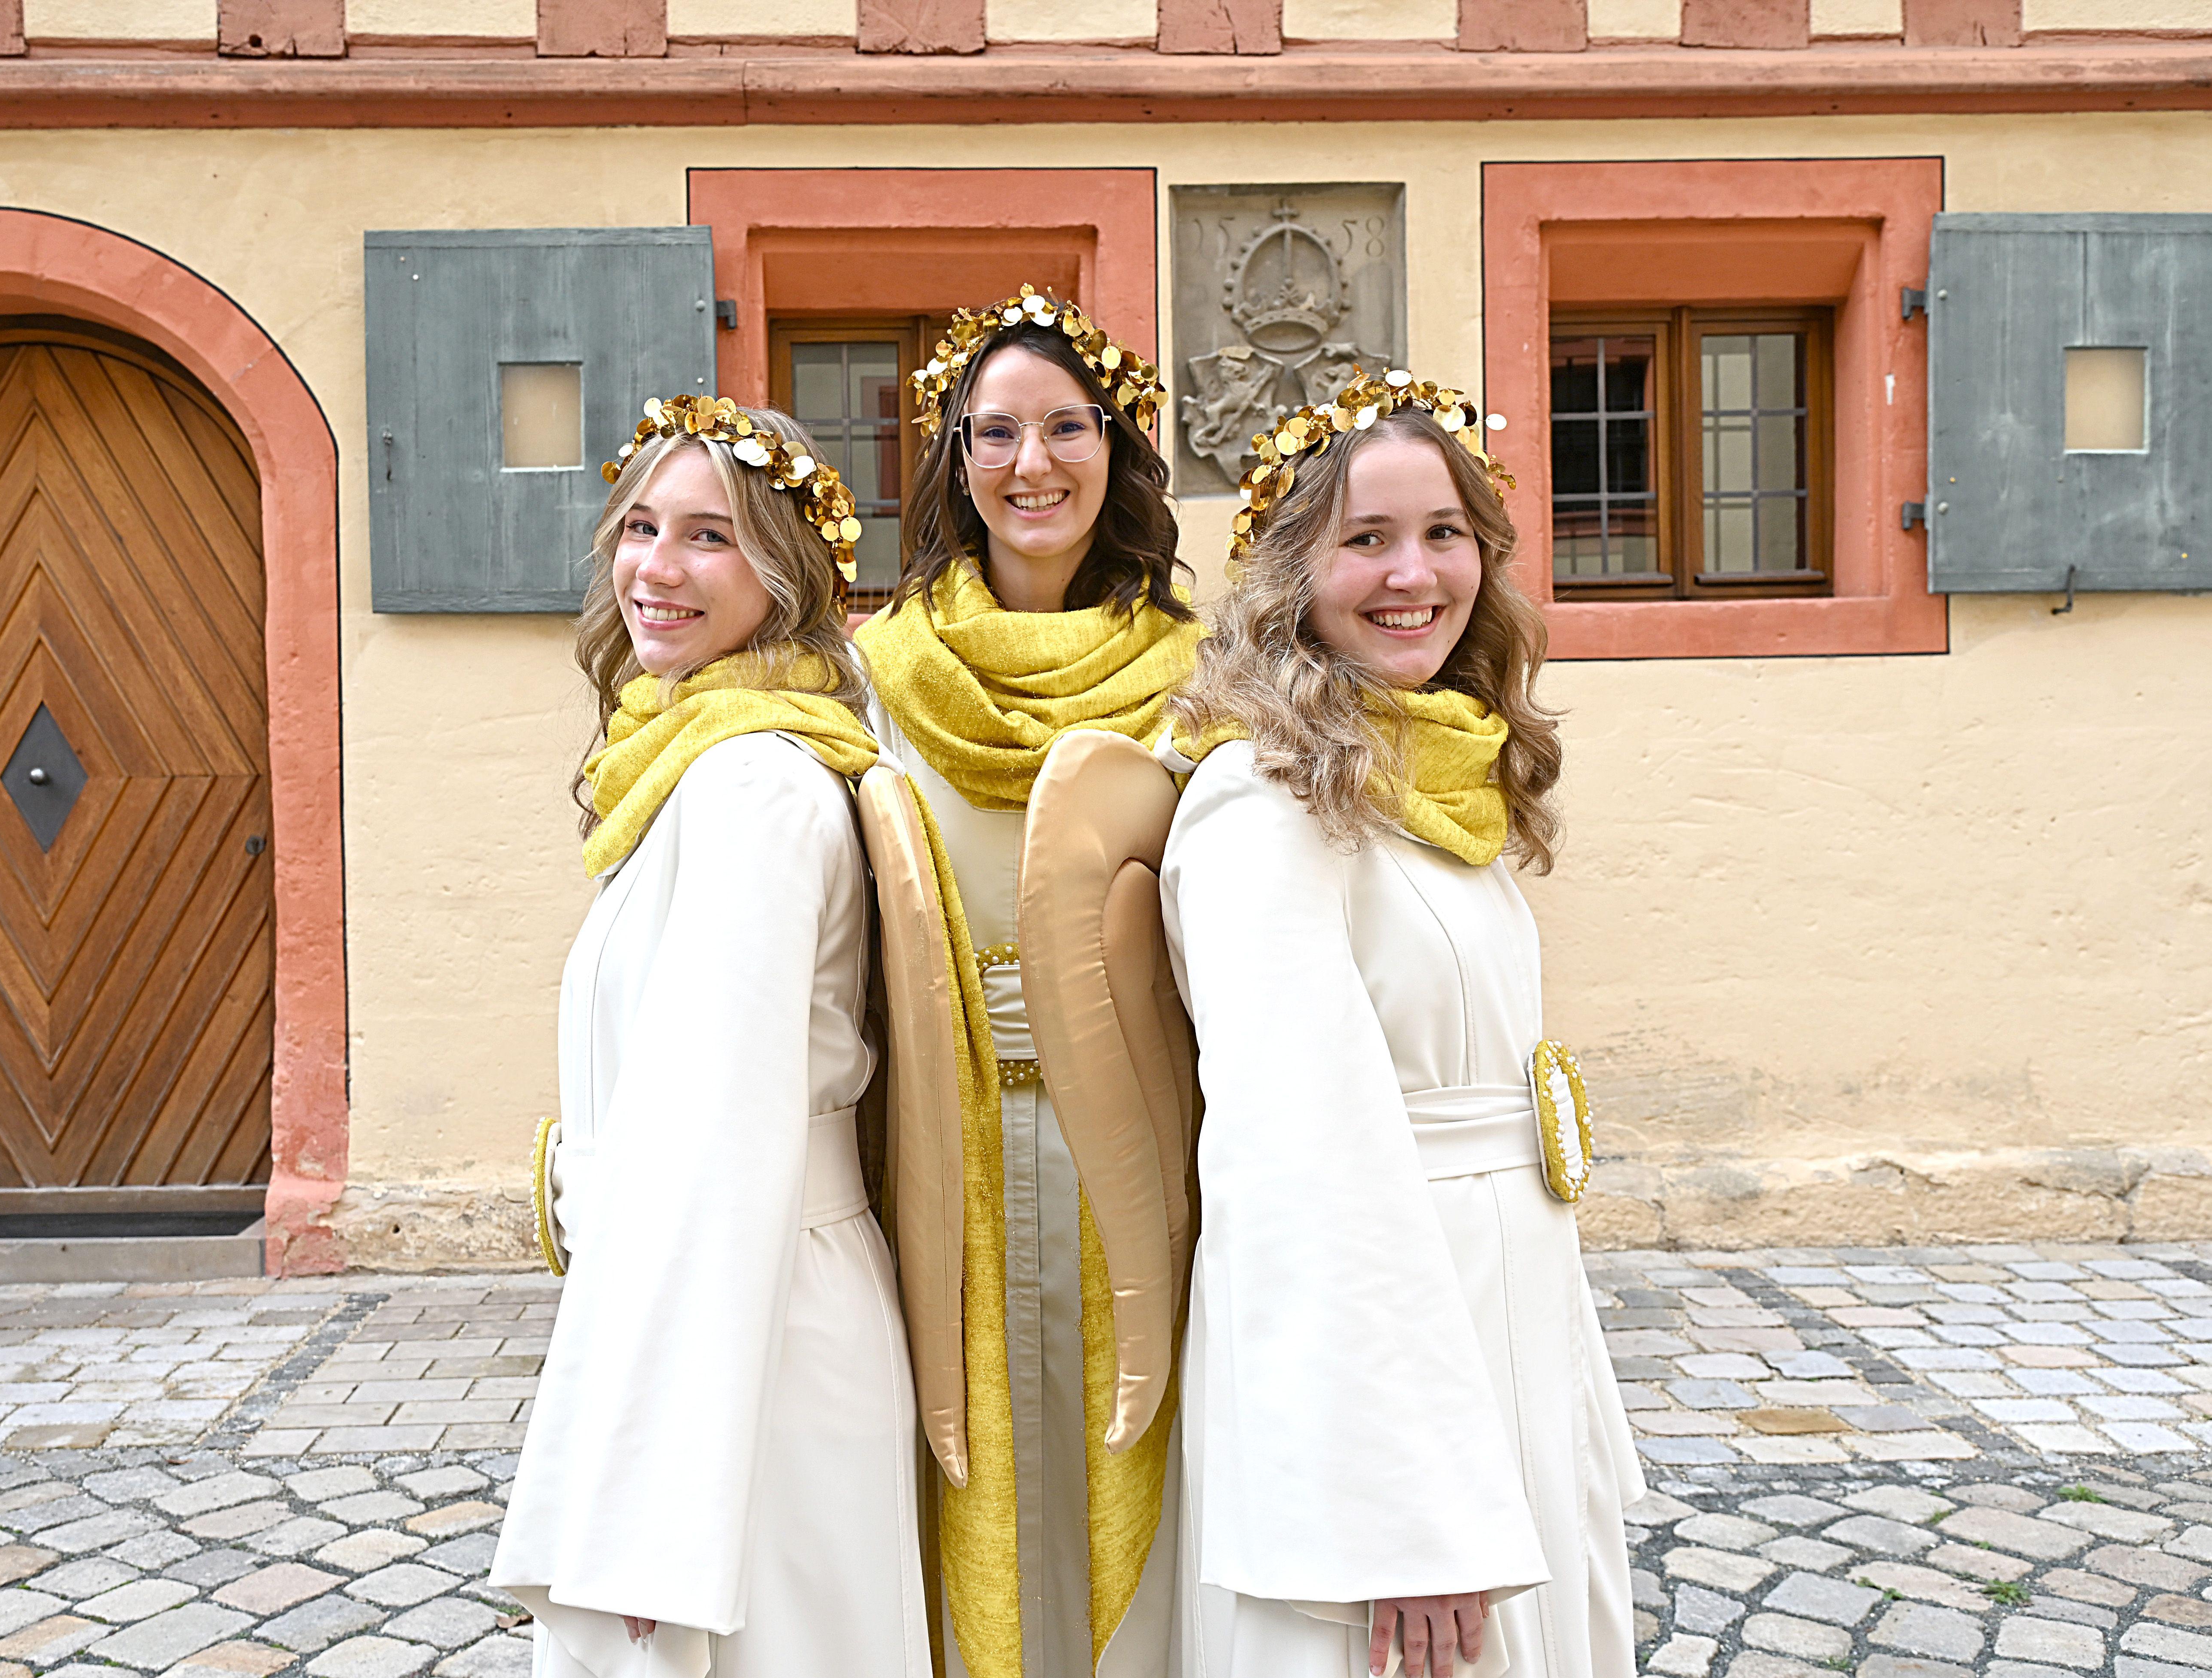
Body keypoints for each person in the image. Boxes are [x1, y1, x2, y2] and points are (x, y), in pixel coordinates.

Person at [1159, 369, 1644, 1678]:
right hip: (1378, 1373)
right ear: (1288, 572)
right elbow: (1298, 1171)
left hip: (1508, 1317)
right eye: (1363, 539)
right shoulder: (1264, 805)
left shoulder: (1438, 764)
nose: (1410, 573)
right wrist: (1400, 1515)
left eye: (1441, 533)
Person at [488, 397, 930, 1678]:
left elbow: (713, 1158)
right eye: (639, 526)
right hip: (718, 1313)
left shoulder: (753, 787)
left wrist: (650, 1496)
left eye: (709, 538)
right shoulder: (693, 760)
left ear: (785, 576)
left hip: (754, 1344)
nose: (656, 569)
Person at [856, 285, 1201, 1678]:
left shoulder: (1197, 678)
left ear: (1115, 452)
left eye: (1066, 427)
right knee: (961, 1475)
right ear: (950, 461)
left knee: (1142, 1464)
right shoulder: (876, 677)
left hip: (1142, 1135)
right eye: (993, 433)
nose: (1030, 464)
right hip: (940, 1148)